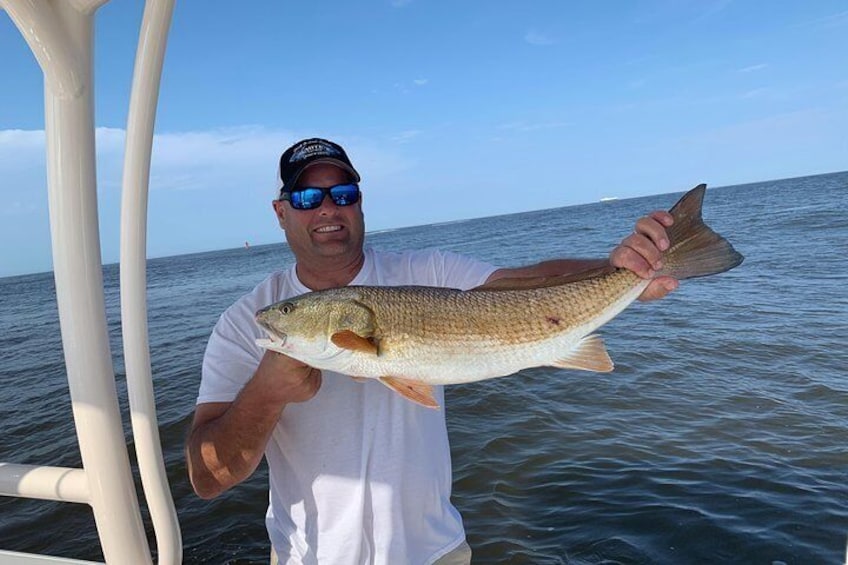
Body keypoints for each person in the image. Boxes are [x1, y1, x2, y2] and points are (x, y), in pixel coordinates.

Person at [185, 138, 678, 565]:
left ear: (359, 203)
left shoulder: (429, 271)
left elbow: (516, 283)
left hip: (435, 552)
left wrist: (619, 269)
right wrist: (266, 393)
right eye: (308, 196)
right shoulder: (244, 322)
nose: (328, 209)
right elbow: (207, 479)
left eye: (343, 194)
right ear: (281, 211)